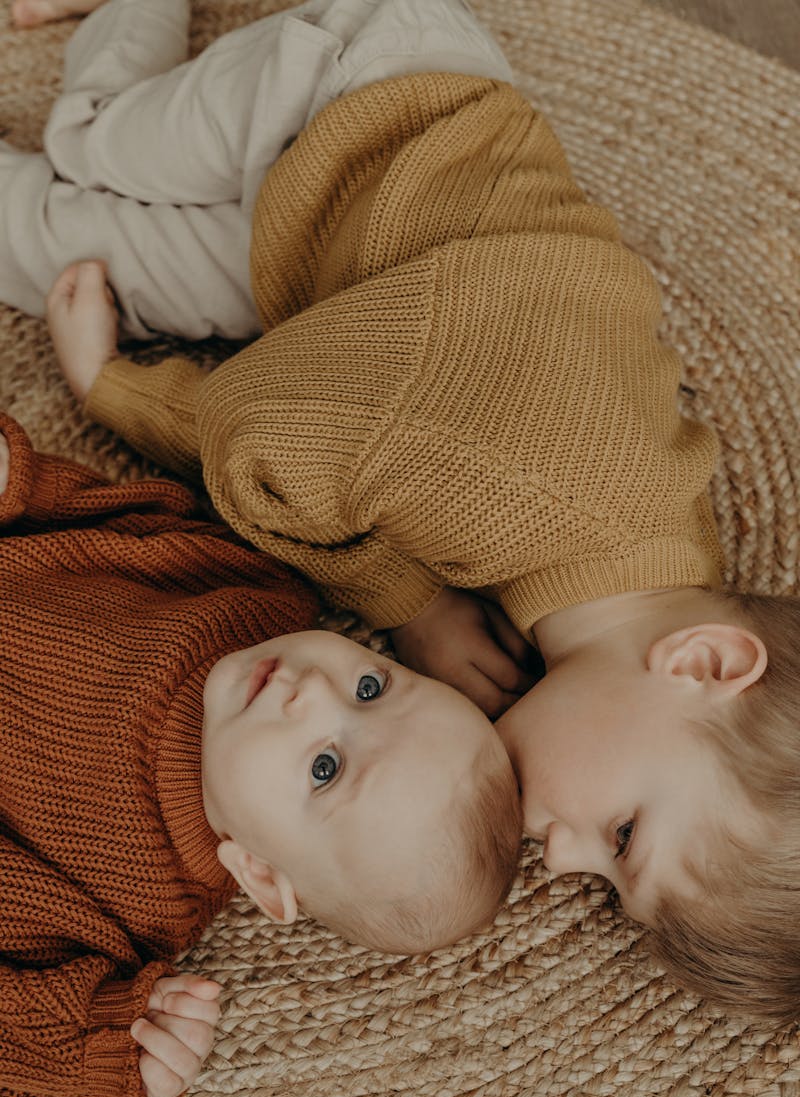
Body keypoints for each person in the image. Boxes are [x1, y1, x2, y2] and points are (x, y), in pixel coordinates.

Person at [8, 0, 800, 1027]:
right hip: (356, 102)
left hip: (335, 274)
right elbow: (261, 425)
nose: (559, 857)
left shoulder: (631, 564)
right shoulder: (523, 480)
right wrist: (400, 593)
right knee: (90, 146)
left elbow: (372, 401)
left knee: (62, 249)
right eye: (619, 838)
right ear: (699, 665)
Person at [0, 410, 522, 1097]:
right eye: (370, 688)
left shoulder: (134, 901)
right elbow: (132, 524)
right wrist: (21, 484)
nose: (311, 693)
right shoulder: (262, 601)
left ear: (261, 875)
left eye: (325, 769)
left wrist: (105, 1038)